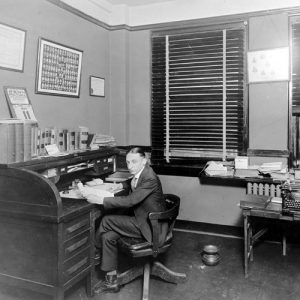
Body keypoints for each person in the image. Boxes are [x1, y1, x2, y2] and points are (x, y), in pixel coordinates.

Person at [80, 147, 166, 294]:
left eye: (134, 162)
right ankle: (111, 282)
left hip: (150, 227)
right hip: (142, 219)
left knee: (106, 220)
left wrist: (101, 199)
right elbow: (132, 181)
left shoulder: (149, 177)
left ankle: (93, 253)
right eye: (127, 162)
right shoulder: (142, 173)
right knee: (107, 236)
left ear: (144, 161)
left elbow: (131, 201)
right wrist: (121, 185)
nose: (130, 166)